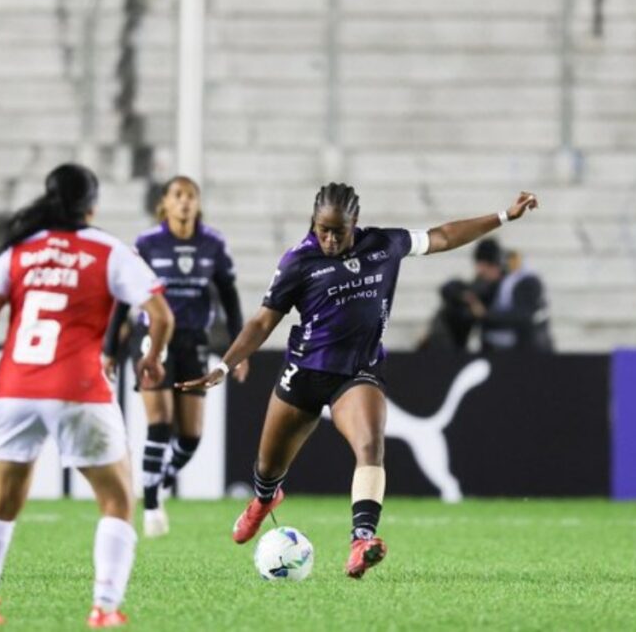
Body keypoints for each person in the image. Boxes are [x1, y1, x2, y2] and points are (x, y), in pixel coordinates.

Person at [178, 183, 538, 578]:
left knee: (370, 444)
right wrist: (225, 367)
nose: (330, 239)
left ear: (356, 223)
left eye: (339, 230)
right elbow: (264, 321)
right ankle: (265, 499)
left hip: (357, 372)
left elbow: (443, 236)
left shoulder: (385, 245)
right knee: (267, 466)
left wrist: (503, 216)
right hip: (305, 373)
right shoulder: (298, 261)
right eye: (322, 229)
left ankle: (362, 539)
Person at [0, 164, 173, 627]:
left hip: (15, 388)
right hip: (79, 390)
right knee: (116, 501)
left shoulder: (18, 250)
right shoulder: (110, 251)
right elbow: (161, 314)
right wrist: (153, 356)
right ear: (92, 204)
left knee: (2, 500)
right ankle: (105, 609)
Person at [102, 175, 248, 538]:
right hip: (153, 337)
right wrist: (109, 348)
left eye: (191, 196)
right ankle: (151, 503)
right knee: (161, 423)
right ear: (164, 204)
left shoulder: (213, 243)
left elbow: (229, 298)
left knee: (191, 437)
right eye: (178, 195)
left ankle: (156, 477)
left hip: (194, 338)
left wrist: (239, 349)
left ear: (197, 203)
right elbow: (124, 295)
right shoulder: (148, 243)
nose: (184, 202)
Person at [472, 245, 553, 352]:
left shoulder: (526, 282)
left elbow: (522, 316)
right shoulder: (496, 284)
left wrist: (486, 315)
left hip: (527, 351)